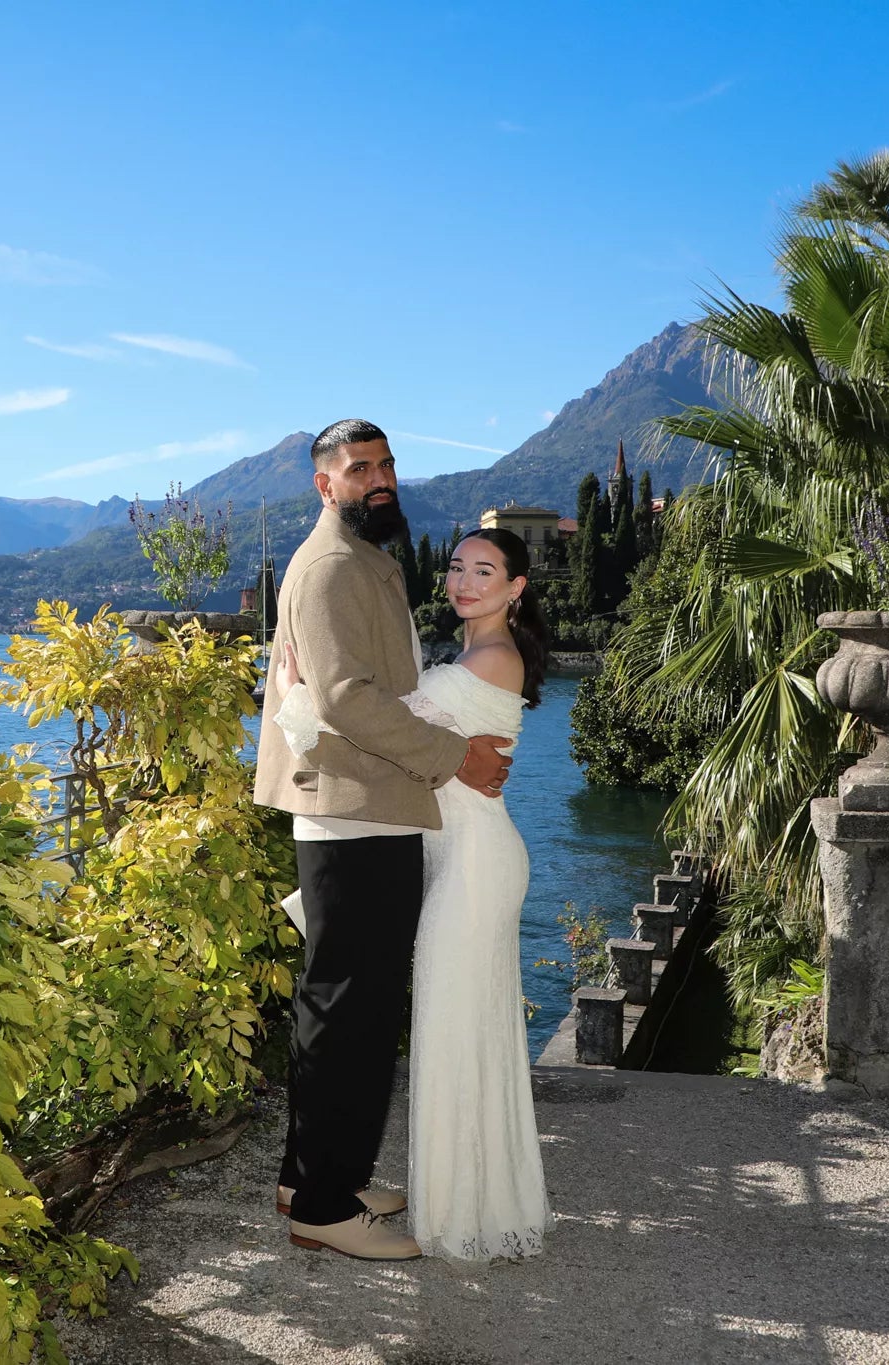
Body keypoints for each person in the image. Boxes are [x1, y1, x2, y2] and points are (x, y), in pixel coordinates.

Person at [254, 419, 513, 1262]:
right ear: (324, 484)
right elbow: (344, 699)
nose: (380, 480)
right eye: (360, 468)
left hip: (369, 804)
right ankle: (326, 1205)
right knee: (352, 1011)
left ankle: (314, 1174)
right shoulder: (331, 566)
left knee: (343, 1004)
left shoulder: (363, 557)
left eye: (387, 466)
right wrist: (454, 756)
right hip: (355, 808)